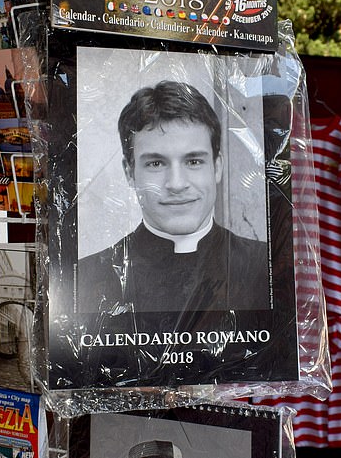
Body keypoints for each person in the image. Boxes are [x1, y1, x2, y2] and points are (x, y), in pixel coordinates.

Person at [77, 80, 270, 313]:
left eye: (194, 161)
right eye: (156, 163)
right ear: (130, 173)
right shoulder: (86, 277)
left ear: (217, 167)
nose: (176, 184)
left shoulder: (267, 267)